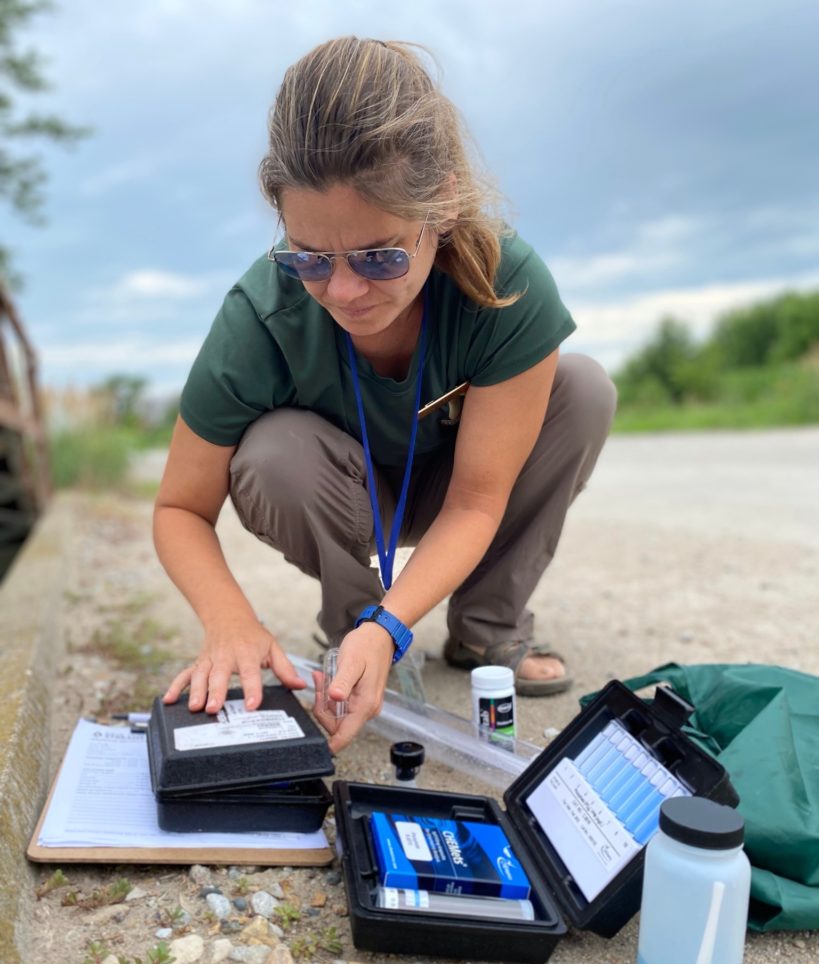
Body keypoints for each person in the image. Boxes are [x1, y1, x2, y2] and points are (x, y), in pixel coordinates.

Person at [155, 36, 617, 752]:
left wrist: (399, 624)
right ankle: (353, 629)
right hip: (340, 488)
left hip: (456, 487)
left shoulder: (507, 287)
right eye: (309, 257)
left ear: (444, 211)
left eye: (380, 256)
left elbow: (474, 502)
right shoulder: (258, 314)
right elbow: (180, 507)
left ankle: (486, 631)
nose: (342, 290)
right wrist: (231, 621)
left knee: (582, 388)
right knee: (271, 451)